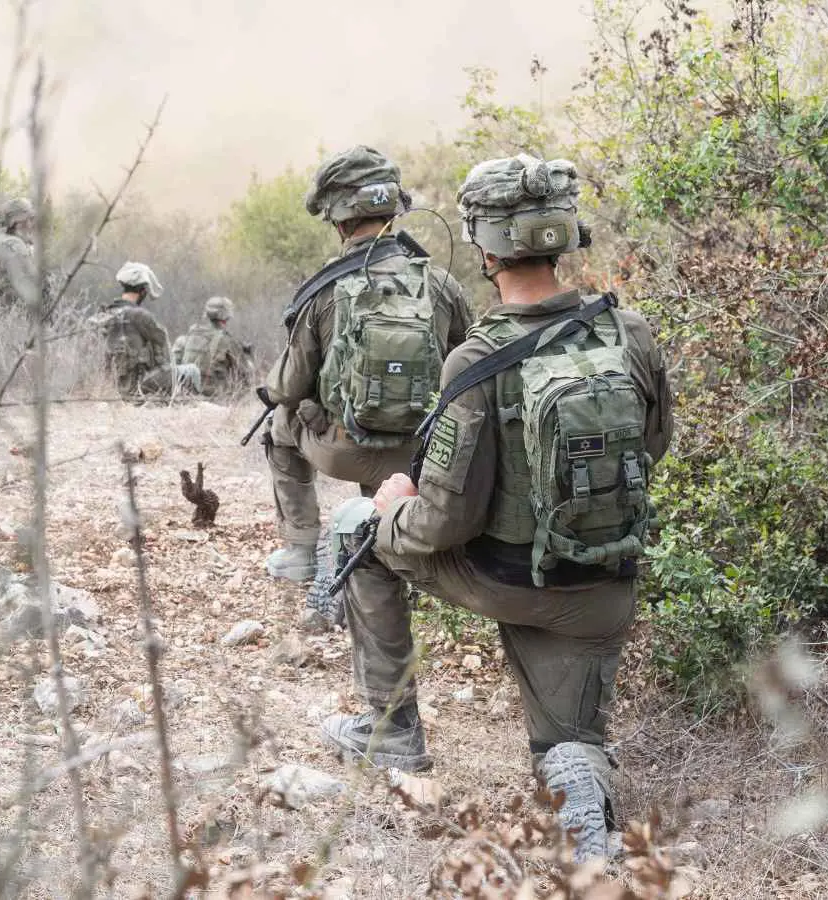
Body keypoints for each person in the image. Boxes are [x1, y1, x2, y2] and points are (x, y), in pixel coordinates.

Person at [319, 154, 675, 863]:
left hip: (506, 581)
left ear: (486, 250)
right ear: (565, 236)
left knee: (357, 527)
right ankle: (580, 795)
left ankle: (391, 733)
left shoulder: (476, 359)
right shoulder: (630, 333)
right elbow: (654, 445)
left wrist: (394, 508)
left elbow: (445, 521)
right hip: (600, 589)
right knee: (567, 747)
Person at [260, 145, 472, 590]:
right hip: (417, 457)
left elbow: (289, 386)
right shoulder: (441, 283)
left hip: (345, 449)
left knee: (279, 425)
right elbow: (467, 367)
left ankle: (301, 551)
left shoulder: (324, 288)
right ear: (394, 211)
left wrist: (279, 393)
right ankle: (393, 543)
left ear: (339, 221)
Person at [95, 261, 172, 400]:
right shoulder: (140, 316)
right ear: (143, 291)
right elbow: (162, 342)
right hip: (137, 389)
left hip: (108, 388)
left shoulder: (104, 315)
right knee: (190, 371)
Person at [170, 296, 252, 397]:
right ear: (226, 317)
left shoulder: (190, 335)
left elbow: (174, 365)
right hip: (214, 395)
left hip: (186, 393)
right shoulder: (227, 340)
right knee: (248, 366)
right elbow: (244, 375)